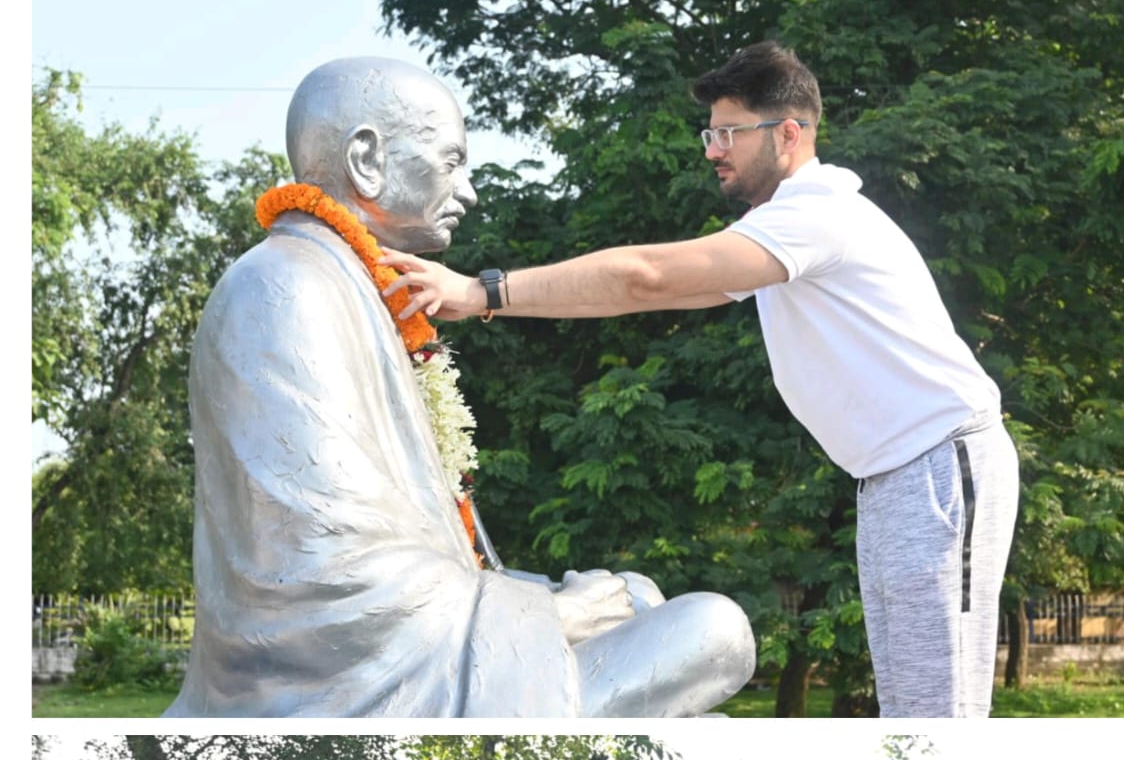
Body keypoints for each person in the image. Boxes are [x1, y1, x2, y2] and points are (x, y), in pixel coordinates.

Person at [389, 40, 1016, 718]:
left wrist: (483, 292)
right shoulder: (783, 228)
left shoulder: (817, 216)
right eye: (708, 133)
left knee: (938, 714)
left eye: (727, 132)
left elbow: (645, 274)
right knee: (911, 710)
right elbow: (639, 293)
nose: (712, 149)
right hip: (896, 475)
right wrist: (493, 298)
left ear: (787, 133)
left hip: (937, 467)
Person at [166, 55, 754, 720]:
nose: (468, 191)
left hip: (429, 633)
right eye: (451, 161)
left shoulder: (355, 290)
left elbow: (424, 553)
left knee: (640, 596)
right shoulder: (282, 288)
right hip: (340, 686)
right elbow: (314, 577)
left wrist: (544, 601)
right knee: (714, 630)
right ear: (367, 160)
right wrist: (551, 617)